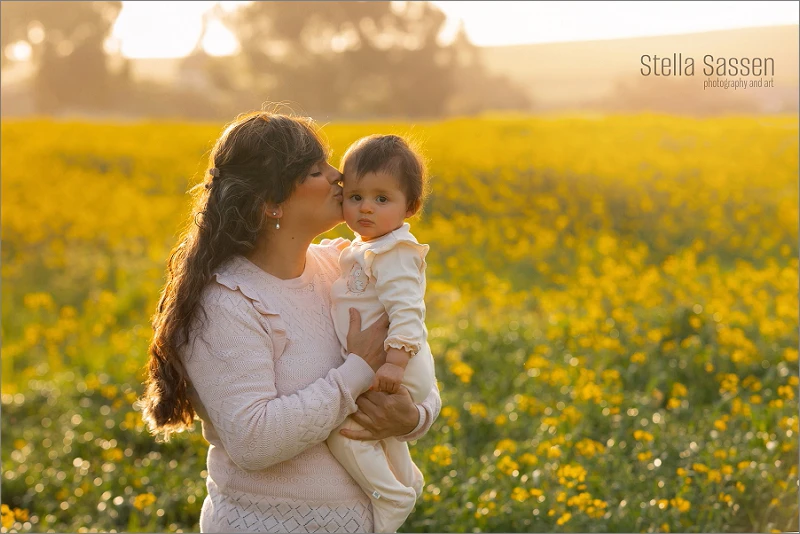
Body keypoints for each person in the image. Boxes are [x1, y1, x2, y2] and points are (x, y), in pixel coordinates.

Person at [139, 111, 441, 533]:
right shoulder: (226, 301)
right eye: (318, 169)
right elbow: (253, 441)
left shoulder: (344, 266)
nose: (340, 177)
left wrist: (411, 418)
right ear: (272, 204)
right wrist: (355, 371)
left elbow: (416, 365)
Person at [326, 135, 435, 533]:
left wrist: (394, 361)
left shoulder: (395, 252)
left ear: (411, 206)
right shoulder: (370, 246)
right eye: (355, 196)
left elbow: (408, 310)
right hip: (387, 364)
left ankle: (392, 494)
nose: (365, 207)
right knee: (384, 434)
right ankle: (407, 479)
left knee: (346, 434)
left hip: (395, 365)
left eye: (381, 199)